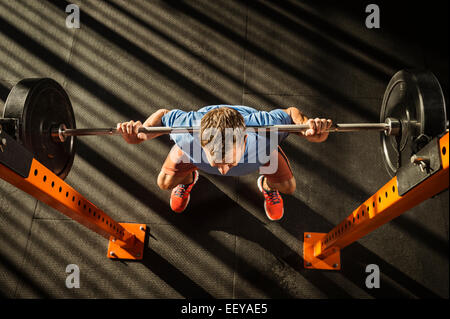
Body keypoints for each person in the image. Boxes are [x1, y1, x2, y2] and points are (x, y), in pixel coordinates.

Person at [117, 105, 331, 221]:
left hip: (258, 153)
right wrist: (140, 135)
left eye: (228, 162)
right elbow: (164, 115)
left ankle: (266, 186)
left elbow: (291, 112)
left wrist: (310, 130)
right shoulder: (188, 133)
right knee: (164, 182)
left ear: (246, 138)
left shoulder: (264, 132)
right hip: (195, 153)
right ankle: (189, 178)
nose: (223, 171)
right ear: (201, 142)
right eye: (217, 162)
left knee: (288, 187)